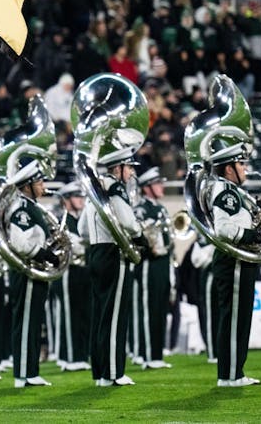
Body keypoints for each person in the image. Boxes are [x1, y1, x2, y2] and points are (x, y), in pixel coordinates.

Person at [0, 98, 60, 388]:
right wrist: (43, 251)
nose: (44, 186)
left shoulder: (32, 207)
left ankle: (30, 370)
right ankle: (24, 373)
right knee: (26, 322)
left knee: (34, 322)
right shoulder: (21, 208)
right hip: (27, 268)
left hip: (35, 268)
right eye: (40, 181)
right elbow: (21, 241)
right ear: (29, 182)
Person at [79, 145, 145, 387]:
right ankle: (113, 372)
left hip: (95, 251)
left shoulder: (93, 190)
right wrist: (139, 235)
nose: (130, 174)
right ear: (118, 168)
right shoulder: (114, 187)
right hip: (112, 253)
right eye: (128, 168)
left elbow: (82, 230)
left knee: (100, 315)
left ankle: (100, 373)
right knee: (115, 315)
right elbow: (128, 221)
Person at [208, 138, 261, 387]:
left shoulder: (233, 192)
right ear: (229, 168)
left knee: (241, 318)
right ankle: (229, 375)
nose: (244, 168)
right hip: (232, 260)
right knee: (233, 318)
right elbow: (224, 229)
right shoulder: (226, 192)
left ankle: (235, 372)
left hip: (239, 260)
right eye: (241, 164)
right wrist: (251, 235)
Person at [133, 167, 173, 369]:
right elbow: (141, 235)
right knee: (149, 310)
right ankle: (148, 355)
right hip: (149, 263)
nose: (161, 186)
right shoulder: (142, 209)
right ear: (147, 187)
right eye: (157, 183)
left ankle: (157, 354)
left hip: (163, 263)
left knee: (160, 310)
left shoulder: (162, 209)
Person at [51, 182, 91, 371]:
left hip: (83, 270)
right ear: (66, 200)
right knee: (69, 314)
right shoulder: (62, 220)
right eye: (76, 197)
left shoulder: (83, 219)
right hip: (67, 270)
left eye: (82, 196)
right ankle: (69, 357)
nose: (81, 200)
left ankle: (80, 355)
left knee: (83, 314)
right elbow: (73, 246)